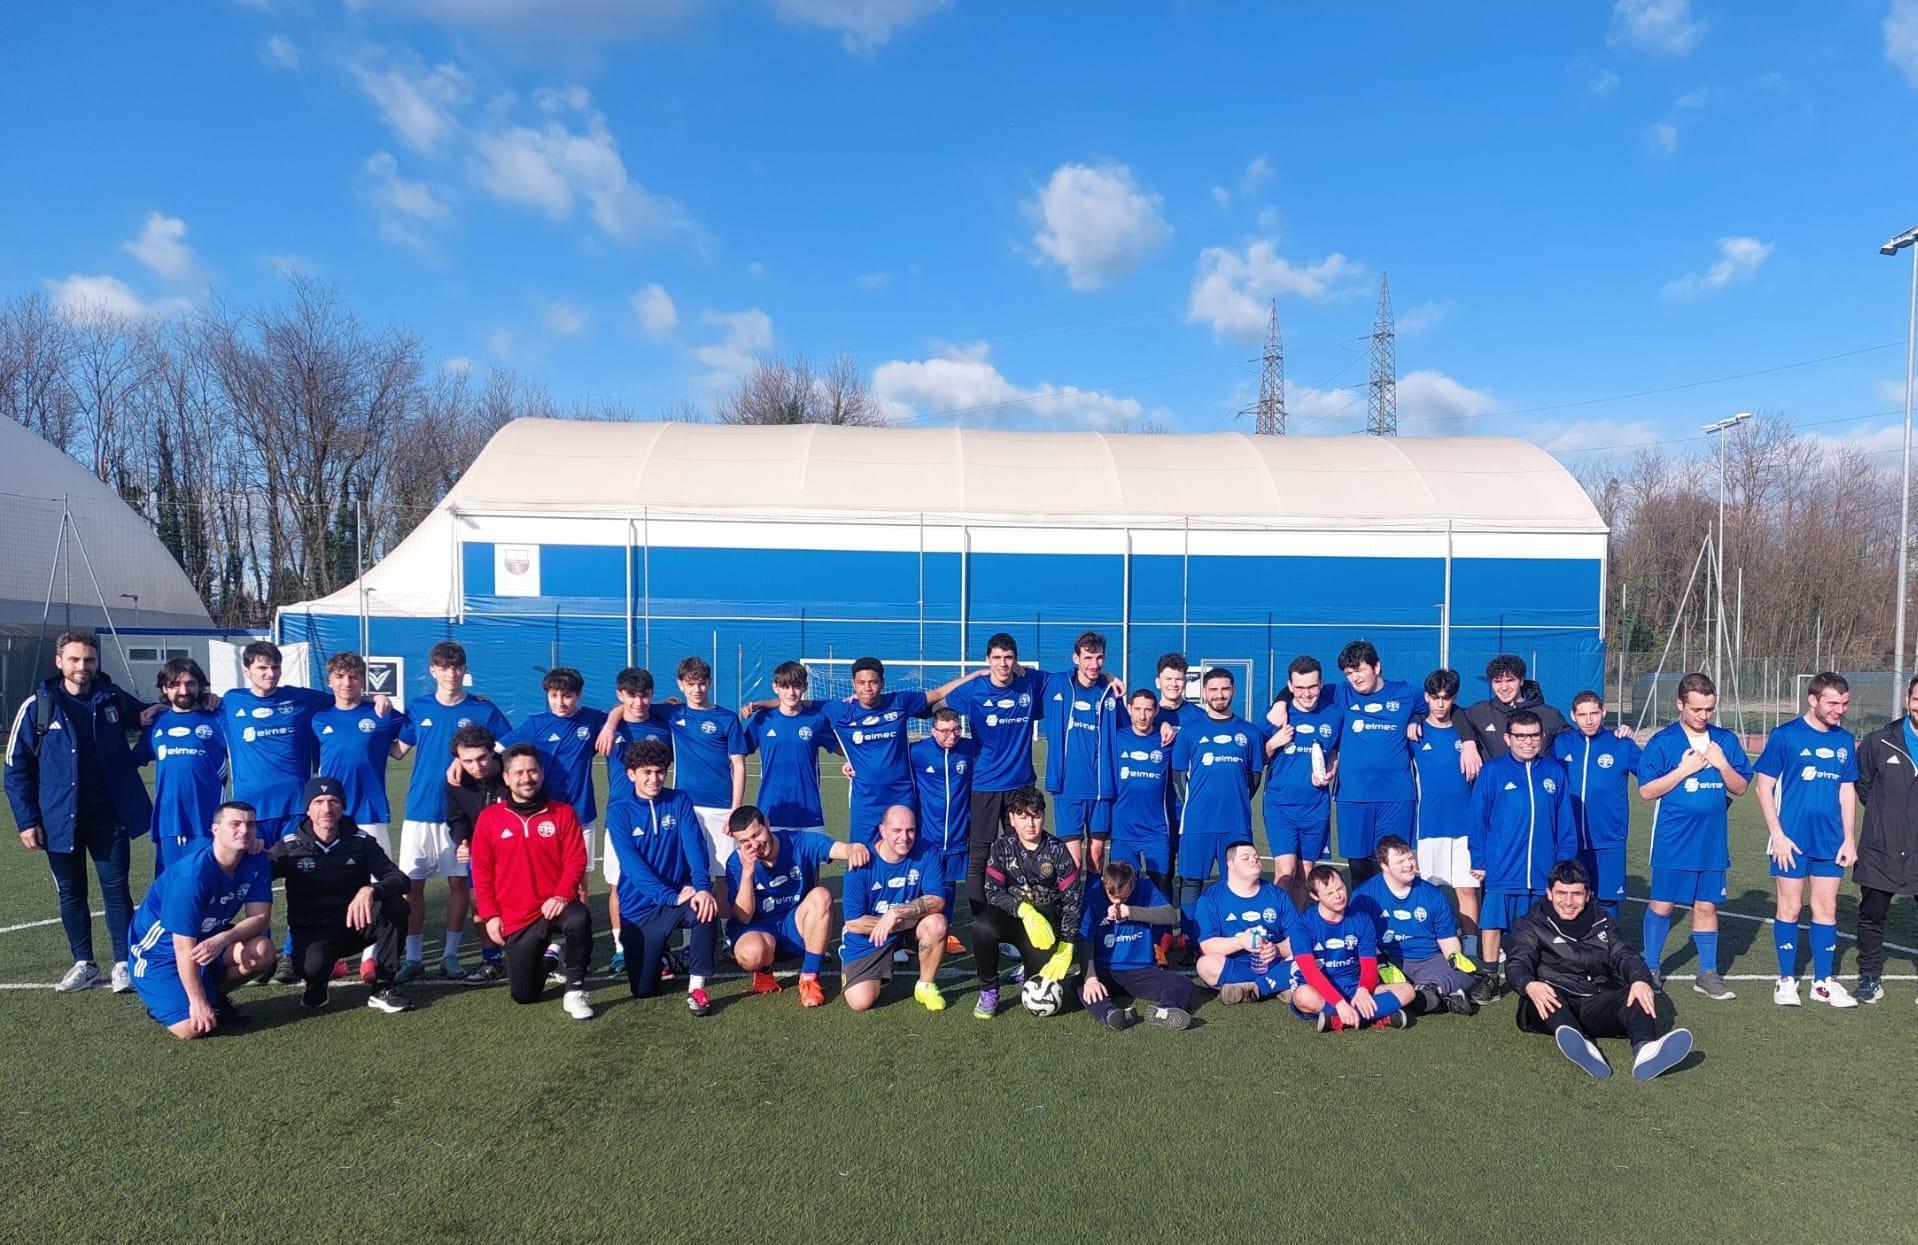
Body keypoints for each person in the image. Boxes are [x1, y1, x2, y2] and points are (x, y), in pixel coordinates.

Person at [7, 631, 156, 993]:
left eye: (88, 659)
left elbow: (150, 714)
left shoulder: (113, 698)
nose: (82, 666)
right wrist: (27, 821)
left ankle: (124, 963)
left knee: (116, 890)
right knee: (71, 894)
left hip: (109, 817)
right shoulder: (38, 706)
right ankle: (84, 963)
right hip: (59, 820)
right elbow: (16, 767)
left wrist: (202, 700)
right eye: (74, 659)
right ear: (59, 662)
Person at [1506, 860, 1693, 1080]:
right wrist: (1529, 985)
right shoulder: (1531, 924)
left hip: (1595, 999)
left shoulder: (1603, 921)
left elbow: (1624, 954)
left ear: (1587, 894)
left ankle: (1646, 1051)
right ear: (1549, 893)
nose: (1567, 901)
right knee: (1544, 995)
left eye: (1575, 894)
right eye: (1561, 893)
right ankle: (1580, 1045)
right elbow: (1517, 962)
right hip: (1553, 1002)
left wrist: (1640, 979)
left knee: (1634, 993)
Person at [392, 641, 511, 983]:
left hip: (463, 815)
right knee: (411, 887)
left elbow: (509, 743)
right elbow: (397, 750)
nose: (451, 673)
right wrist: (373, 709)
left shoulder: (483, 710)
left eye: (456, 667)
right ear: (433, 671)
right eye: (443, 667)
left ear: (464, 670)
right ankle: (413, 958)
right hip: (418, 810)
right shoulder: (419, 707)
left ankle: (450, 954)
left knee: (460, 884)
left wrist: (464, 759)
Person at [1638, 673, 1751, 1001]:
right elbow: (1646, 790)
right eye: (1697, 709)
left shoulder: (1724, 741)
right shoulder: (1664, 742)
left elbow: (1741, 787)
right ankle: (1652, 967)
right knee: (1662, 905)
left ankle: (1707, 972)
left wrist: (1722, 764)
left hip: (1711, 843)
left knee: (1706, 906)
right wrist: (1682, 772)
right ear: (1680, 705)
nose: (1704, 716)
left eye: (1710, 709)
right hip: (1673, 841)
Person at [126, 801, 277, 1038]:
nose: (244, 831)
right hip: (159, 955)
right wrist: (197, 1002)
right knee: (191, 1029)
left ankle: (214, 997)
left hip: (206, 941)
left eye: (250, 825)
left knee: (262, 950)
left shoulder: (255, 859)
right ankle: (182, 1002)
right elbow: (181, 946)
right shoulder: (191, 876)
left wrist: (223, 938)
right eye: (235, 824)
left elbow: (260, 918)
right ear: (215, 830)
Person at [1753, 672, 1859, 1008]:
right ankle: (1786, 980)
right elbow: (1763, 787)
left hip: (1830, 842)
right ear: (1812, 700)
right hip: (1791, 841)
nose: (1839, 710)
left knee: (1826, 909)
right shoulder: (1785, 736)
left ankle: (1823, 983)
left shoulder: (1844, 741)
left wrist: (1849, 839)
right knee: (1790, 907)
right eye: (1832, 703)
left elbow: (1846, 792)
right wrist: (1778, 835)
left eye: (1843, 703)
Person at [266, 777, 412, 1014]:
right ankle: (317, 982)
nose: (327, 808)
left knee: (395, 906)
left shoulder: (360, 841)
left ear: (342, 806)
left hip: (354, 924)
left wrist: (371, 890)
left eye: (333, 801)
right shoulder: (290, 847)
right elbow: (257, 877)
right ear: (308, 809)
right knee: (311, 967)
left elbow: (400, 879)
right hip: (313, 931)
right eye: (319, 801)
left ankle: (383, 986)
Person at [469, 745, 594, 1020]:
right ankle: (550, 958)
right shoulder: (489, 819)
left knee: (579, 918)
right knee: (524, 995)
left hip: (555, 906)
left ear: (542, 773)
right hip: (517, 915)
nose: (527, 778)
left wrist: (562, 895)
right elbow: (481, 871)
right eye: (519, 772)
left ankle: (575, 992)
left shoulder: (563, 813)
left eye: (533, 771)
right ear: (506, 778)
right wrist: (490, 916)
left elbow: (576, 859)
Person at [311, 651, 408, 982]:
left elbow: (405, 743)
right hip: (329, 816)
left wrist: (381, 700)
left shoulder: (382, 714)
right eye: (339, 677)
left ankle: (371, 956)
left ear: (362, 681)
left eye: (353, 677)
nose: (346, 683)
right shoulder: (318, 719)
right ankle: (337, 954)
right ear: (330, 681)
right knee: (331, 885)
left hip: (369, 812)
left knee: (376, 885)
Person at [604, 738, 718, 1015]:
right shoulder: (618, 811)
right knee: (643, 990)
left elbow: (695, 848)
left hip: (679, 902)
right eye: (647, 772)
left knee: (706, 910)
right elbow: (632, 868)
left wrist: (702, 888)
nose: (654, 779)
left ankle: (697, 987)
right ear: (631, 774)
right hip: (639, 909)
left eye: (660, 772)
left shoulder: (679, 800)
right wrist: (670, 895)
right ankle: (662, 953)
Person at [810, 656, 972, 842]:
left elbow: (939, 692)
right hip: (865, 801)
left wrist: (980, 673)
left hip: (901, 796)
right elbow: (798, 704)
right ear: (853, 684)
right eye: (861, 683)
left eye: (873, 682)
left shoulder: (899, 702)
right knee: (862, 855)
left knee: (904, 849)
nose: (867, 688)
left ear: (882, 683)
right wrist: (766, 706)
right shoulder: (840, 710)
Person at [1468, 709, 1576, 986]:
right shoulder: (1493, 771)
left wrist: (1564, 864)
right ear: (1508, 738)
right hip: (1502, 864)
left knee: (1542, 924)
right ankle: (1490, 976)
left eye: (1533, 736)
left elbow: (1565, 822)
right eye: (1520, 736)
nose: (1527, 742)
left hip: (1544, 867)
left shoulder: (1555, 772)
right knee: (1492, 922)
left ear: (1542, 737)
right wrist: (1479, 859)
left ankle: (1541, 972)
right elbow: (1478, 819)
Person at [724, 805, 869, 1006]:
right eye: (744, 841)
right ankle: (764, 971)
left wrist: (854, 848)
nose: (754, 845)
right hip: (758, 929)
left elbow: (838, 848)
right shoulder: (736, 862)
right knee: (751, 954)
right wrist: (748, 873)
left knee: (821, 896)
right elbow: (744, 917)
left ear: (767, 823)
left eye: (757, 835)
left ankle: (809, 978)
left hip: (794, 926)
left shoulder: (797, 842)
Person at [945, 634, 1048, 906]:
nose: (1003, 664)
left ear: (1016, 660)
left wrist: (1108, 676)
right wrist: (971, 676)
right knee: (979, 854)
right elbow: (936, 703)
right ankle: (983, 920)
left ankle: (1018, 917)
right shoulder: (974, 689)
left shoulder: (1031, 682)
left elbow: (1075, 679)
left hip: (1021, 785)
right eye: (997, 658)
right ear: (988, 660)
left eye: (1008, 658)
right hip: (984, 787)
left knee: (1023, 852)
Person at [1169, 667, 1269, 945]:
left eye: (1224, 689)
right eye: (1213, 689)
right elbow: (1179, 778)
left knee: (1236, 885)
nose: (1219, 695)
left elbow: (1254, 778)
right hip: (1198, 823)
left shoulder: (1249, 733)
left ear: (1233, 691)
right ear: (1204, 693)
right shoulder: (1189, 733)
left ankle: (1228, 940)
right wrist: (1196, 804)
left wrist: (1233, 801)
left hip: (1235, 823)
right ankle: (1190, 941)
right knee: (1191, 882)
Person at [501, 667, 608, 916]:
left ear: (579, 695)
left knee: (580, 879)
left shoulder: (592, 720)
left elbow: (624, 711)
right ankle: (539, 932)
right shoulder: (536, 724)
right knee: (539, 877)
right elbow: (498, 750)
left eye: (567, 696)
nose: (560, 702)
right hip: (541, 813)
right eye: (554, 695)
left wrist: (612, 723)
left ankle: (577, 937)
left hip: (580, 814)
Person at [972, 786, 1081, 1020]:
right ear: (1011, 818)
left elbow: (1073, 899)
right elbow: (992, 891)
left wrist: (1067, 944)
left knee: (1042, 991)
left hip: (1044, 930)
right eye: (1022, 817)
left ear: (1043, 815)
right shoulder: (1001, 847)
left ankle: (1025, 969)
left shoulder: (1057, 850)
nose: (1029, 825)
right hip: (1014, 919)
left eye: (1035, 816)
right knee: (982, 925)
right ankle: (989, 990)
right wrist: (1024, 910)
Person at [593, 666, 673, 970]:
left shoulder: (663, 724)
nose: (638, 701)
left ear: (651, 695)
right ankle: (620, 947)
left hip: (658, 817)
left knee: (658, 878)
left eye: (644, 695)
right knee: (618, 884)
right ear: (619, 695)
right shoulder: (606, 727)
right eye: (631, 695)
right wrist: (612, 723)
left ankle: (658, 941)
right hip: (621, 818)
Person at [221, 640, 337, 849]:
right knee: (254, 872)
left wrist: (379, 698)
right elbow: (192, 705)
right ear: (246, 671)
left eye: (275, 667)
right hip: (251, 808)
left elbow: (345, 699)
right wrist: (155, 708)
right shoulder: (231, 701)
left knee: (301, 871)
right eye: (262, 668)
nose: (270, 673)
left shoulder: (301, 698)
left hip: (296, 805)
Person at [1349, 836, 1480, 1015]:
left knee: (1467, 975)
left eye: (1410, 858)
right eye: (1400, 861)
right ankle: (1433, 996)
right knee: (1356, 977)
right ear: (1384, 866)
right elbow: (1357, 940)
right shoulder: (1364, 896)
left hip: (1428, 960)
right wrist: (1379, 963)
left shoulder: (1432, 894)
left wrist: (1454, 957)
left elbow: (1447, 938)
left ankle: (1425, 993)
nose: (1409, 865)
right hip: (1388, 961)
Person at [839, 804, 950, 1013]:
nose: (905, 837)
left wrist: (896, 913)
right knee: (860, 1002)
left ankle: (925, 986)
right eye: (897, 831)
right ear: (882, 830)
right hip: (872, 934)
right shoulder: (862, 862)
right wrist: (895, 923)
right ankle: (862, 964)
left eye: (910, 830)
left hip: (905, 924)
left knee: (937, 924)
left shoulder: (927, 851)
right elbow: (854, 922)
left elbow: (937, 900)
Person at [1329, 640, 1422, 883]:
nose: (1354, 678)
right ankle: (1362, 918)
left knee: (1393, 861)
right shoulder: (1341, 693)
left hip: (1396, 795)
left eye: (1359, 670)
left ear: (1377, 667)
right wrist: (1281, 702)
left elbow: (1438, 705)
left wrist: (1416, 718)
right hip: (1353, 794)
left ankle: (1394, 918)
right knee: (1358, 865)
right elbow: (1303, 689)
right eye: (1349, 673)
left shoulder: (1406, 693)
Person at [1851, 676, 1918, 1004]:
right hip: (1880, 848)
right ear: (1908, 698)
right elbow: (1862, 787)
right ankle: (1868, 976)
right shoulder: (1880, 741)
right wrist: (1885, 820)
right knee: (1872, 914)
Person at [1288, 864, 1415, 1031]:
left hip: (1353, 985)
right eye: (1330, 893)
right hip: (1320, 988)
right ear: (1314, 896)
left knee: (1408, 991)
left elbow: (1369, 966)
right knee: (1302, 996)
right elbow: (1311, 973)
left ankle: (1336, 1020)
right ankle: (1374, 1015)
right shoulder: (1302, 926)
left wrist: (1363, 991)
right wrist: (1339, 1003)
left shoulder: (1361, 920)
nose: (1338, 896)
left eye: (1340, 888)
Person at [1551, 690, 1641, 921]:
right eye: (1582, 715)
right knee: (1572, 896)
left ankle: (1607, 948)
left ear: (1604, 712)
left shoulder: (1621, 744)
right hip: (1570, 838)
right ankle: (1575, 949)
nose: (1589, 720)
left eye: (1594, 713)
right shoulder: (1562, 744)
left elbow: (1654, 775)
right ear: (1573, 716)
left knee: (1608, 898)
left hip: (1609, 837)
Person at [1261, 655, 1342, 907]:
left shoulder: (1335, 714)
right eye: (1300, 687)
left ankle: (1296, 934)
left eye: (1312, 686)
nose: (1307, 694)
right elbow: (1257, 757)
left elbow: (1336, 751)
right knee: (1285, 874)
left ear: (1321, 683)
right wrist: (1274, 742)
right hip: (1280, 806)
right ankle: (1276, 928)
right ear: (1290, 686)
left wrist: (1329, 770)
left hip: (1315, 807)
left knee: (1305, 876)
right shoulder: (1276, 716)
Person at [1037, 630, 1123, 870]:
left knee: (1096, 857)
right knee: (1071, 861)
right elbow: (1016, 675)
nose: (1094, 664)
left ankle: (1094, 908)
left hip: (1101, 789)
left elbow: (1129, 729)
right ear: (1076, 658)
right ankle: (1072, 908)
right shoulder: (1055, 683)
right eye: (1088, 658)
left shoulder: (1110, 693)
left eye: (1099, 658)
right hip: (1068, 788)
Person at [137, 657, 227, 875]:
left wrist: (217, 698)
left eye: (190, 683)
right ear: (165, 689)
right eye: (175, 685)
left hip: (208, 821)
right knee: (170, 890)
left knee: (206, 889)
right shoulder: (156, 722)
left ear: (200, 685)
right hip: (168, 822)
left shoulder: (219, 718)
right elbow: (129, 760)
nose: (183, 690)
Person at [1410, 669, 1479, 952]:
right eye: (1435, 697)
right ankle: (1433, 945)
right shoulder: (1414, 733)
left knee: (1466, 889)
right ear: (1426, 697)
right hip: (1429, 827)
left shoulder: (1467, 731)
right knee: (1431, 891)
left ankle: (1472, 948)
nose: (1440, 704)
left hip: (1466, 828)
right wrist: (1413, 719)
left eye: (1446, 698)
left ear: (1454, 698)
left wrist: (1470, 743)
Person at [1079, 860, 1193, 1030]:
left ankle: (1165, 1011)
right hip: (1106, 971)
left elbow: (1170, 915)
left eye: (1124, 897)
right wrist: (1090, 977)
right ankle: (1110, 1014)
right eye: (1112, 896)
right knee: (1081, 985)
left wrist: (1131, 912)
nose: (1117, 901)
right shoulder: (1093, 896)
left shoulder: (1145, 888)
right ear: (1103, 880)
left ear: (1134, 883)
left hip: (1141, 969)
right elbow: (1084, 939)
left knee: (1182, 983)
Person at [663, 656, 747, 886]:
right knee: (688, 869)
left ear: (709, 683)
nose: (696, 689)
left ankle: (725, 921)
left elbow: (738, 765)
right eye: (690, 684)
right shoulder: (672, 714)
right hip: (686, 805)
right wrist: (610, 725)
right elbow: (633, 706)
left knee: (724, 873)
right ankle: (693, 920)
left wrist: (735, 809)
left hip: (722, 807)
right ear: (680, 684)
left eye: (701, 683)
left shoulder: (727, 718)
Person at [741, 662, 841, 838]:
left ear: (805, 687)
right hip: (771, 811)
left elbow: (842, 750)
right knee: (771, 864)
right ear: (775, 688)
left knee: (810, 864)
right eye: (785, 686)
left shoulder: (817, 720)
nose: (791, 692)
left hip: (810, 812)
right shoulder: (762, 720)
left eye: (796, 686)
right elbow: (738, 753)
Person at [441, 724, 508, 982]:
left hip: (517, 850)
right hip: (481, 852)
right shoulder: (455, 781)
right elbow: (456, 819)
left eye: (481, 758)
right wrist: (462, 842)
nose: (476, 766)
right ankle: (491, 958)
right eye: (467, 760)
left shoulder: (511, 771)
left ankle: (535, 951)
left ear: (492, 752)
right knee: (478, 902)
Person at [1193, 839, 1294, 1005]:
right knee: (1205, 965)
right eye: (1246, 858)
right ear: (1230, 864)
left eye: (1256, 857)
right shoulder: (1211, 898)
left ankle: (1252, 989)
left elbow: (1298, 937)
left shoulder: (1277, 894)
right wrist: (1240, 942)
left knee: (1311, 955)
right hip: (1236, 966)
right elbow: (1207, 945)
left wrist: (1277, 949)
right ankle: (1277, 984)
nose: (1254, 860)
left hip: (1275, 963)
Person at [910, 706, 976, 953]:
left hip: (958, 833)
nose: (952, 736)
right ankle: (910, 933)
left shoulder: (968, 749)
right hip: (927, 836)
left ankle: (945, 931)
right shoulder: (917, 752)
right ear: (933, 729)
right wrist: (851, 768)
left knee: (948, 885)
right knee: (920, 884)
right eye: (945, 731)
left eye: (956, 729)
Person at [1453, 654, 1569, 778]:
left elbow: (1576, 743)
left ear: (1522, 681)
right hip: (1497, 792)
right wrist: (1468, 743)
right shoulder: (1481, 712)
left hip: (1537, 790)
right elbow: (1453, 711)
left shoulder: (1549, 715)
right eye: (1497, 681)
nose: (1504, 687)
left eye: (1510, 680)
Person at [1106, 689, 1175, 897]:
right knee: (1121, 889)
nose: (1142, 715)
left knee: (1161, 889)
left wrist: (1165, 725)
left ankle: (1162, 930)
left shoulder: (1167, 740)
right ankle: (1123, 929)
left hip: (1156, 831)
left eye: (1148, 710)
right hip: (1123, 830)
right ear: (1129, 710)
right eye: (1137, 709)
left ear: (1156, 712)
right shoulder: (1116, 738)